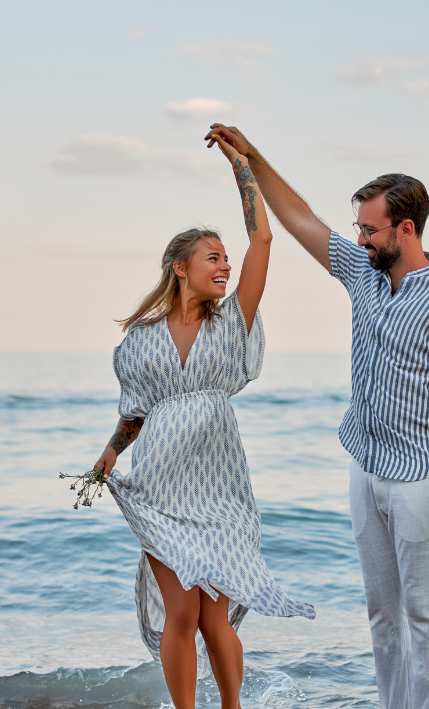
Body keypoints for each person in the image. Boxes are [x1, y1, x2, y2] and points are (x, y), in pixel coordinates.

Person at [203, 124, 429, 709]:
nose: (358, 238)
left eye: (369, 228)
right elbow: (301, 218)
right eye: (358, 227)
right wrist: (253, 157)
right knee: (383, 615)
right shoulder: (364, 274)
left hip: (420, 480)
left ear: (405, 229)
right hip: (366, 470)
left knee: (425, 617)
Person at [91, 137, 315, 709]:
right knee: (183, 612)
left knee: (218, 617)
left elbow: (262, 239)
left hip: (221, 486)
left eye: (224, 257)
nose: (225, 264)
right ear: (180, 268)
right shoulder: (140, 341)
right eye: (212, 257)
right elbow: (135, 411)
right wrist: (111, 452)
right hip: (161, 486)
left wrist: (242, 167)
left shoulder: (231, 322)